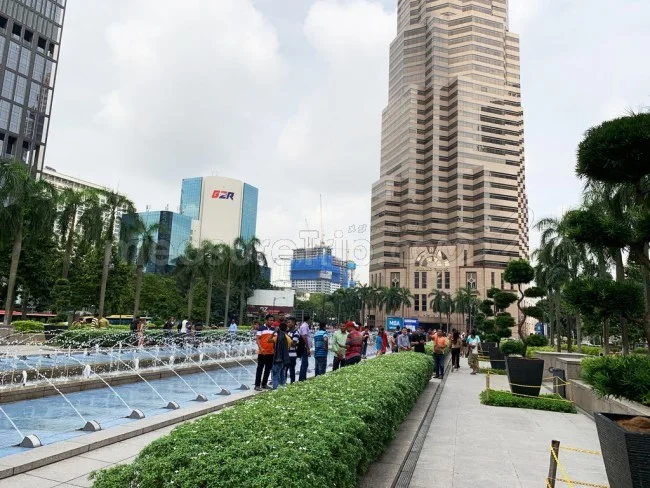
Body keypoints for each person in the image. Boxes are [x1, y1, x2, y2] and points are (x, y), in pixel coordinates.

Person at [254, 314, 276, 390]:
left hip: (271, 353)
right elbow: (257, 339)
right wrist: (261, 348)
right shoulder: (261, 328)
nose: (272, 322)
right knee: (260, 369)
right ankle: (257, 385)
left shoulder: (273, 329)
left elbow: (275, 340)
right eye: (270, 320)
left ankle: (264, 384)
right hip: (262, 352)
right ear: (266, 320)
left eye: (273, 320)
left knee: (268, 369)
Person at [268, 321, 291, 389]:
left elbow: (269, 340)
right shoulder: (288, 338)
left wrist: (274, 332)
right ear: (286, 328)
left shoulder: (278, 338)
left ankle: (275, 388)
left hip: (278, 358)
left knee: (275, 374)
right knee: (282, 374)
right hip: (285, 358)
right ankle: (282, 387)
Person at [298, 315, 313, 381]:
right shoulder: (304, 326)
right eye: (310, 319)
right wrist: (307, 348)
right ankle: (302, 379)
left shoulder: (306, 326)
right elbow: (304, 337)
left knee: (304, 363)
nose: (311, 321)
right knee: (305, 363)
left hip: (305, 347)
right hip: (304, 347)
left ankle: (302, 378)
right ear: (308, 319)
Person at [286, 316, 300, 383]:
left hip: (292, 355)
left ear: (294, 323)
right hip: (286, 354)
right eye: (287, 322)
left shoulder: (296, 332)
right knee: (285, 370)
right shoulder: (287, 331)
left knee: (291, 370)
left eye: (289, 322)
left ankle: (292, 383)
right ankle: (284, 383)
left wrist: (287, 339)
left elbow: (294, 344)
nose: (288, 323)